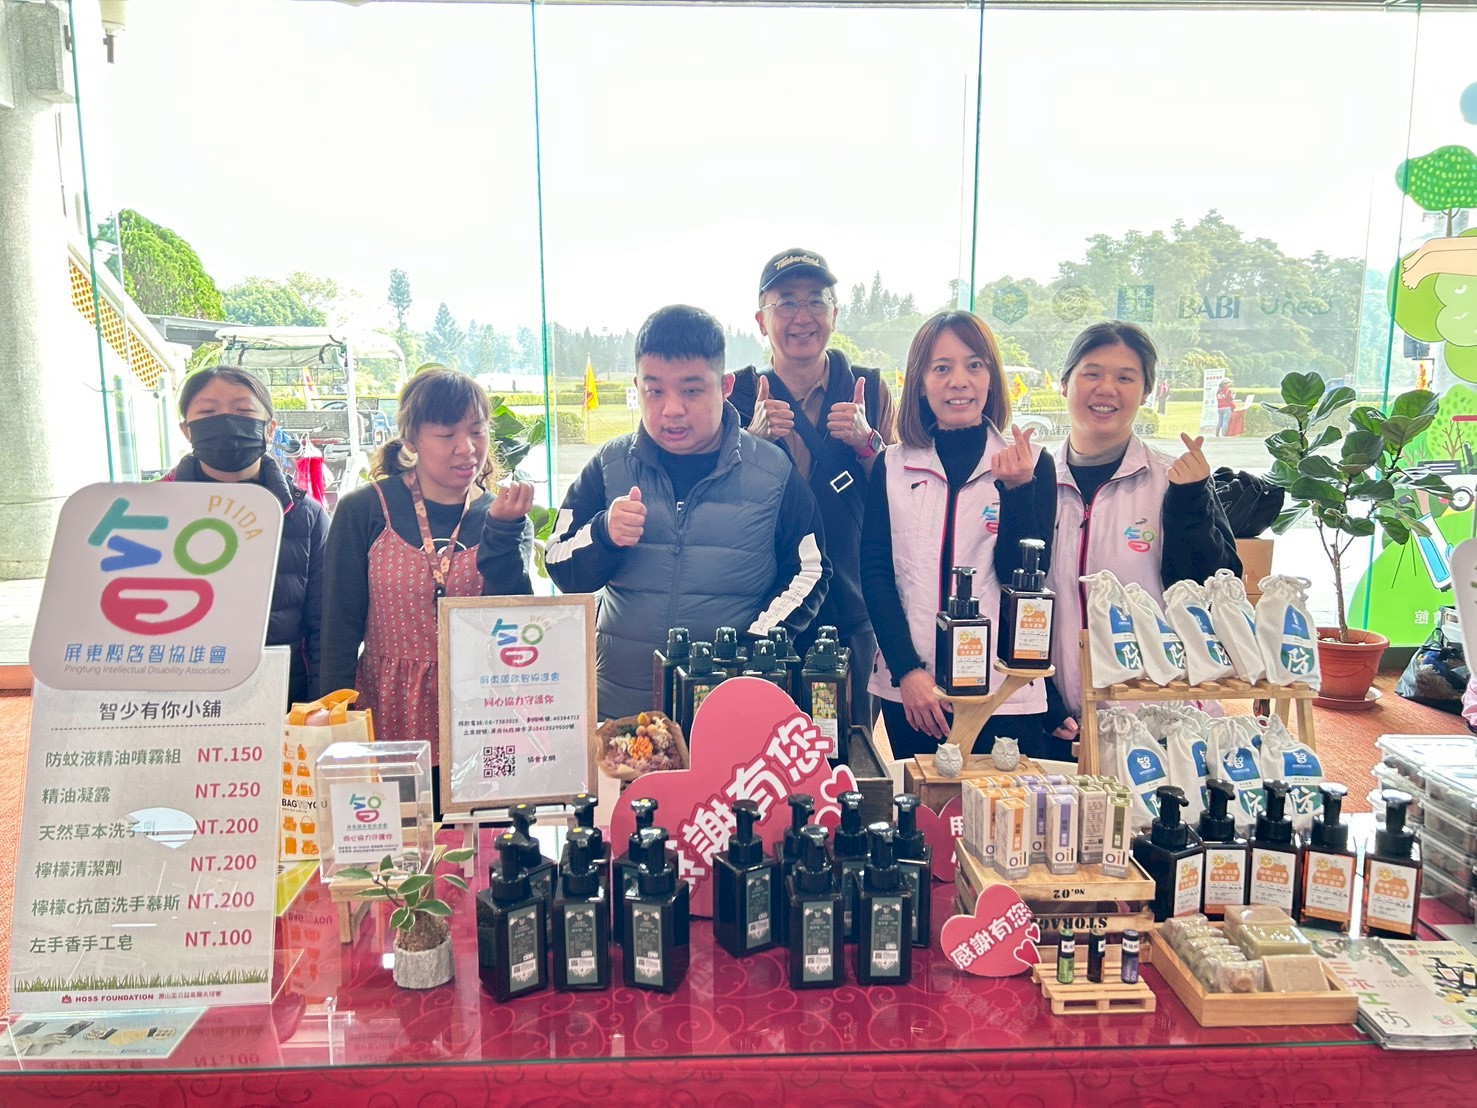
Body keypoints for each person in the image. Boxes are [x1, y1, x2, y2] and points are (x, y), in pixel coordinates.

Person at [545, 304, 831, 722]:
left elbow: (811, 571)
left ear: (725, 386)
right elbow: (558, 561)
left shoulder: (773, 471)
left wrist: (756, 642)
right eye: (655, 391)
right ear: (637, 387)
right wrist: (604, 533)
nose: (672, 409)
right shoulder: (609, 465)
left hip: (726, 712)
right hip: (620, 713)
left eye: (692, 390)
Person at [320, 368, 534, 812]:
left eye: (477, 431)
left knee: (482, 839)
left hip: (481, 714)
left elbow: (515, 625)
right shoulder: (364, 510)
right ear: (411, 439)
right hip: (388, 709)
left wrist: (502, 534)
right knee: (391, 838)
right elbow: (338, 627)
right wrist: (331, 726)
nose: (466, 448)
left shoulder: (505, 516)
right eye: (447, 434)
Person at [859, 311, 1056, 760]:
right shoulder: (892, 466)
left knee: (1001, 805)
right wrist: (907, 671)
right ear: (920, 382)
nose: (959, 381)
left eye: (974, 365)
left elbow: (1024, 577)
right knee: (919, 804)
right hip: (914, 692)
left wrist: (1017, 490)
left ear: (992, 379)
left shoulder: (1030, 463)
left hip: (1002, 693)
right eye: (941, 368)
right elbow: (876, 574)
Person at [1045, 321, 1241, 741]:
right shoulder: (1035, 483)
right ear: (1064, 383)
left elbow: (1219, 590)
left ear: (1146, 392)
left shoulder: (1175, 480)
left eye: (1125, 378)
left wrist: (1191, 503)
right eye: (1092, 373)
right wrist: (1043, 697)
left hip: (1162, 719)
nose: (1106, 389)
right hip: (1065, 721)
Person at [728, 248, 896, 736]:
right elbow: (716, 503)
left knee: (847, 747)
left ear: (834, 314)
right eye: (786, 302)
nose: (802, 316)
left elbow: (902, 499)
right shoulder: (736, 395)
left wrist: (868, 444)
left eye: (815, 301)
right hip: (764, 611)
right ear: (761, 320)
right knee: (759, 746)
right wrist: (750, 443)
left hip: (851, 607)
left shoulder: (870, 389)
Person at [163, 366, 327, 706]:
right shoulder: (149, 511)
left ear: (270, 428)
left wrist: (316, 705)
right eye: (208, 412)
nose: (226, 422)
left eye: (243, 411)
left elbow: (323, 626)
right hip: (179, 698)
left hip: (280, 697)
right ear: (186, 430)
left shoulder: (307, 516)